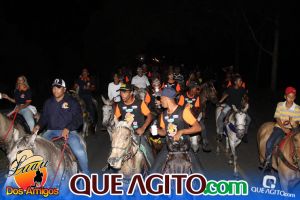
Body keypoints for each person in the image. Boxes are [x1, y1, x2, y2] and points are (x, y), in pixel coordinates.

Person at [33, 79, 89, 174]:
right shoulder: (48, 103)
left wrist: (68, 128)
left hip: (69, 131)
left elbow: (78, 118)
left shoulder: (72, 102)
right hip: (50, 131)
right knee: (37, 148)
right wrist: (38, 125)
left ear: (64, 89)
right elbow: (44, 117)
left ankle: (87, 174)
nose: (56, 90)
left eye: (59, 88)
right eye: (54, 88)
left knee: (80, 152)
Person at [150, 87, 203, 173]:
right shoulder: (163, 114)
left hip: (184, 148)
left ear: (167, 98)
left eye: (161, 98)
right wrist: (157, 131)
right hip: (168, 147)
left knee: (200, 174)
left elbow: (198, 127)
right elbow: (164, 132)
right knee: (152, 172)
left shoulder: (183, 111)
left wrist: (181, 131)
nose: (160, 101)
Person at [114, 83, 154, 167]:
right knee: (115, 148)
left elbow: (150, 116)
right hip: (125, 134)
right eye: (121, 92)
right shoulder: (120, 105)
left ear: (131, 92)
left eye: (125, 92)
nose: (122, 95)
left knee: (147, 150)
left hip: (138, 133)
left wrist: (143, 128)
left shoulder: (139, 103)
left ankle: (152, 170)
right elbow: (116, 118)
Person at [262, 86, 300, 169]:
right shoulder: (280, 105)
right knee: (269, 143)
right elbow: (277, 118)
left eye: (293, 97)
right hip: (280, 128)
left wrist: (294, 124)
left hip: (293, 129)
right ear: (285, 96)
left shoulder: (297, 108)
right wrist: (284, 128)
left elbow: (297, 121)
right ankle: (267, 162)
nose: (291, 99)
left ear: (295, 97)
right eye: (289, 97)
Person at [178, 81, 211, 152]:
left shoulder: (197, 97)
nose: (197, 90)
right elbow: (180, 108)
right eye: (196, 89)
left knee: (203, 127)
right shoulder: (183, 96)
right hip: (184, 116)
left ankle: (205, 142)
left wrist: (192, 114)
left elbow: (196, 109)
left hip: (194, 116)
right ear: (192, 89)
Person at [217, 74, 251, 142]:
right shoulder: (230, 88)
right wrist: (220, 101)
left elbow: (245, 96)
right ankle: (220, 133)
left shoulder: (242, 89)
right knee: (220, 118)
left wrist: (246, 101)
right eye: (240, 81)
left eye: (241, 81)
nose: (241, 82)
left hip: (239, 107)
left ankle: (245, 134)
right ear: (235, 82)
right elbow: (226, 95)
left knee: (249, 119)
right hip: (229, 106)